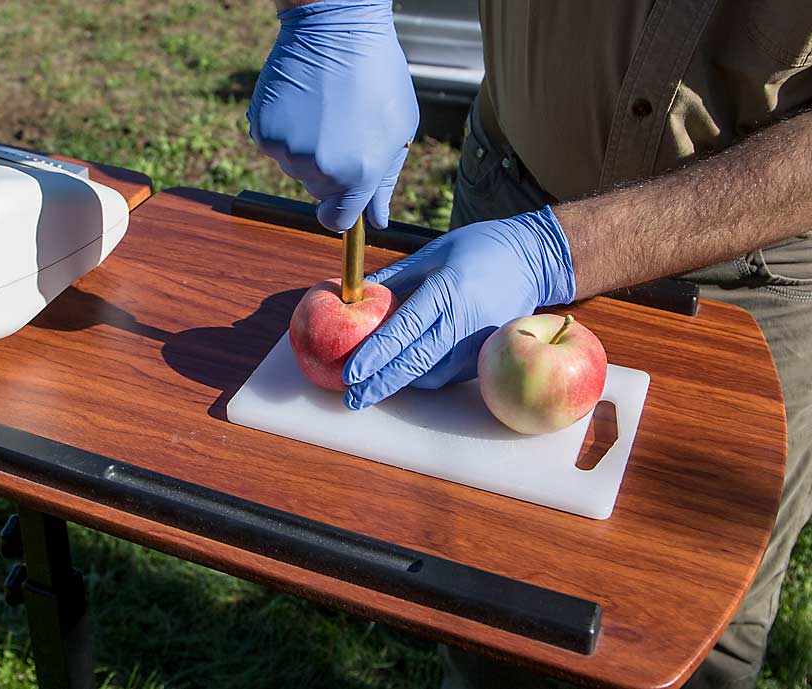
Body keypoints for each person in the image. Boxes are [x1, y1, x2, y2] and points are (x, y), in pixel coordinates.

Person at [248, 1, 812, 688]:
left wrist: (556, 252)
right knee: (480, 587)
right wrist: (333, 10)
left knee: (684, 617)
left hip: (751, 264)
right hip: (511, 186)